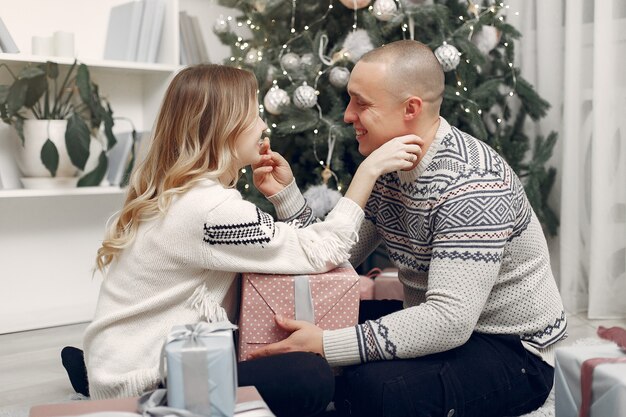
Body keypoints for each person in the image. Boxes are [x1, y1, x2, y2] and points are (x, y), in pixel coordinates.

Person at [61, 64, 422, 417]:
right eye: (254, 114)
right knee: (308, 377)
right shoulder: (209, 209)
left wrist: (283, 197)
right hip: (150, 381)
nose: (264, 125)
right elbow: (323, 252)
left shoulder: (186, 194)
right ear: (224, 128)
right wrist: (368, 171)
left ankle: (95, 372)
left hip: (133, 354)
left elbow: (289, 248)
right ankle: (111, 389)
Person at [249, 40, 567, 417]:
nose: (348, 115)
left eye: (361, 103)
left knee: (376, 390)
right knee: (315, 317)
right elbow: (337, 259)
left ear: (410, 108)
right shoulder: (388, 164)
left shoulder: (472, 182)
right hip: (440, 321)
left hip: (512, 348)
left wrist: (327, 346)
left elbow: (449, 321)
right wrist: (286, 196)